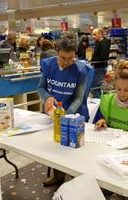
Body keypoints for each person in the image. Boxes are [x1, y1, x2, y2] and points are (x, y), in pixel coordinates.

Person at [37, 32, 89, 186]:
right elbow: (40, 88)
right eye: (63, 58)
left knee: (74, 148)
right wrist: (47, 97)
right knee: (56, 147)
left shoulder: (81, 70)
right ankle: (58, 176)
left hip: (75, 114)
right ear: (57, 51)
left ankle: (77, 180)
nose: (66, 62)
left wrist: (68, 115)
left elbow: (79, 97)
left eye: (70, 58)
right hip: (54, 113)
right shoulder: (48, 65)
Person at [90, 28, 111, 98]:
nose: (93, 36)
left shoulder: (104, 43)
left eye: (94, 34)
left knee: (93, 87)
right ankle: (99, 102)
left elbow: (103, 57)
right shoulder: (98, 42)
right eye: (92, 35)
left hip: (100, 68)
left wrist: (92, 59)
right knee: (96, 87)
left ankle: (99, 103)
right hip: (97, 67)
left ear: (100, 34)